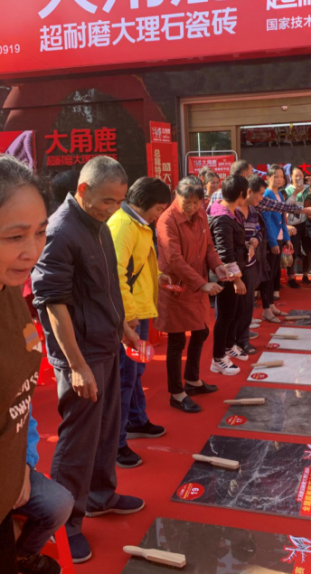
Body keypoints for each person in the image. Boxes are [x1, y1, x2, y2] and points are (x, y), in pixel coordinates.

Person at [31, 156, 143, 565]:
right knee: (78, 438)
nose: (113, 209)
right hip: (80, 353)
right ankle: (66, 524)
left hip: (105, 343)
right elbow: (52, 304)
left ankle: (100, 495)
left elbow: (105, 287)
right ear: (83, 190)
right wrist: (76, 365)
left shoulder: (99, 225)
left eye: (119, 201)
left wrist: (122, 327)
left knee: (107, 428)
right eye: (107, 201)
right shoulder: (60, 231)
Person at [0, 156, 48, 574]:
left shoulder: (10, 291)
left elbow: (20, 399)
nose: (32, 251)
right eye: (15, 236)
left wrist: (22, 468)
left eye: (41, 232)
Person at [108, 177, 172, 469]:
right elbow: (116, 275)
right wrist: (128, 315)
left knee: (134, 372)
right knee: (125, 376)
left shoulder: (138, 224)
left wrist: (158, 276)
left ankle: (136, 419)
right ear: (144, 202)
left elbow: (139, 265)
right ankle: (116, 443)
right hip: (130, 315)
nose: (159, 215)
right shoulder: (123, 225)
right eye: (158, 208)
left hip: (140, 310)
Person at [155, 177, 227, 413]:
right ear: (176, 196)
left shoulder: (201, 214)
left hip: (197, 285)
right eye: (188, 202)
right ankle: (176, 393)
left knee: (201, 331)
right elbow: (174, 259)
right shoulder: (167, 220)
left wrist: (218, 267)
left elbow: (209, 247)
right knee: (176, 340)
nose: (192, 207)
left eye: (197, 202)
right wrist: (201, 283)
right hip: (176, 287)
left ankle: (193, 380)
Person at [15, 409, 74, 574]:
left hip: (11, 470)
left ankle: (22, 557)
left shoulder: (17, 394)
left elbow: (26, 425)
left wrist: (26, 466)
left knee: (59, 503)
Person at [209, 175, 249, 373]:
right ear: (241, 194)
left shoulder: (233, 212)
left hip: (236, 270)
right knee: (225, 316)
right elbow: (225, 254)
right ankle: (218, 358)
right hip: (226, 276)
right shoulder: (222, 218)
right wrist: (237, 279)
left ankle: (228, 346)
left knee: (237, 311)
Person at [208, 159, 311, 219]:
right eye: (251, 173)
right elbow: (277, 206)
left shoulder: (216, 195)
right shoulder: (248, 194)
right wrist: (304, 210)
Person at [235, 175, 266, 356]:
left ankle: (243, 339)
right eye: (260, 194)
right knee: (235, 306)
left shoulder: (253, 211)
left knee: (248, 304)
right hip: (235, 265)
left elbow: (259, 231)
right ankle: (231, 341)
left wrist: (256, 240)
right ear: (249, 192)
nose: (261, 198)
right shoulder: (232, 211)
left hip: (250, 263)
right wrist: (244, 245)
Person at [261, 165, 293, 319]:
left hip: (279, 237)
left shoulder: (280, 194)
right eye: (276, 176)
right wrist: (273, 242)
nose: (279, 179)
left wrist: (286, 238)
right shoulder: (267, 194)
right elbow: (266, 221)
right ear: (268, 178)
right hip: (271, 239)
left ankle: (271, 305)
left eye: (281, 177)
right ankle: (266, 308)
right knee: (268, 274)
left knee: (274, 273)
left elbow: (282, 218)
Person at [284, 166, 311, 287]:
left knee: (307, 251)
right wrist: (295, 193)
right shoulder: (287, 190)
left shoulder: (308, 188)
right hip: (293, 225)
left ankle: (305, 275)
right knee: (292, 251)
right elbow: (285, 207)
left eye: (301, 175)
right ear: (291, 177)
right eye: (296, 176)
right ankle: (291, 277)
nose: (299, 178)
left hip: (306, 224)